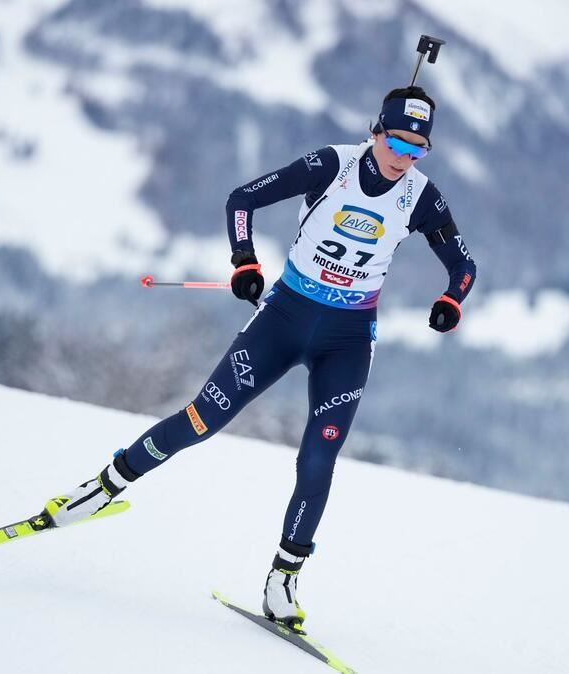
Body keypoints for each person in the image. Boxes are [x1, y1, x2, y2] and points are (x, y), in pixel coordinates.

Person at [35, 86, 477, 630]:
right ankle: (104, 486)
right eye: (398, 143)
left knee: (319, 456)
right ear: (376, 131)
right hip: (284, 319)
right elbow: (241, 199)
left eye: (418, 150)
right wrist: (244, 261)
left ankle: (283, 579)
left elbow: (462, 266)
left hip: (348, 339)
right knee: (201, 419)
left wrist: (450, 301)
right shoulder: (330, 165)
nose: (404, 158)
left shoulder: (421, 197)